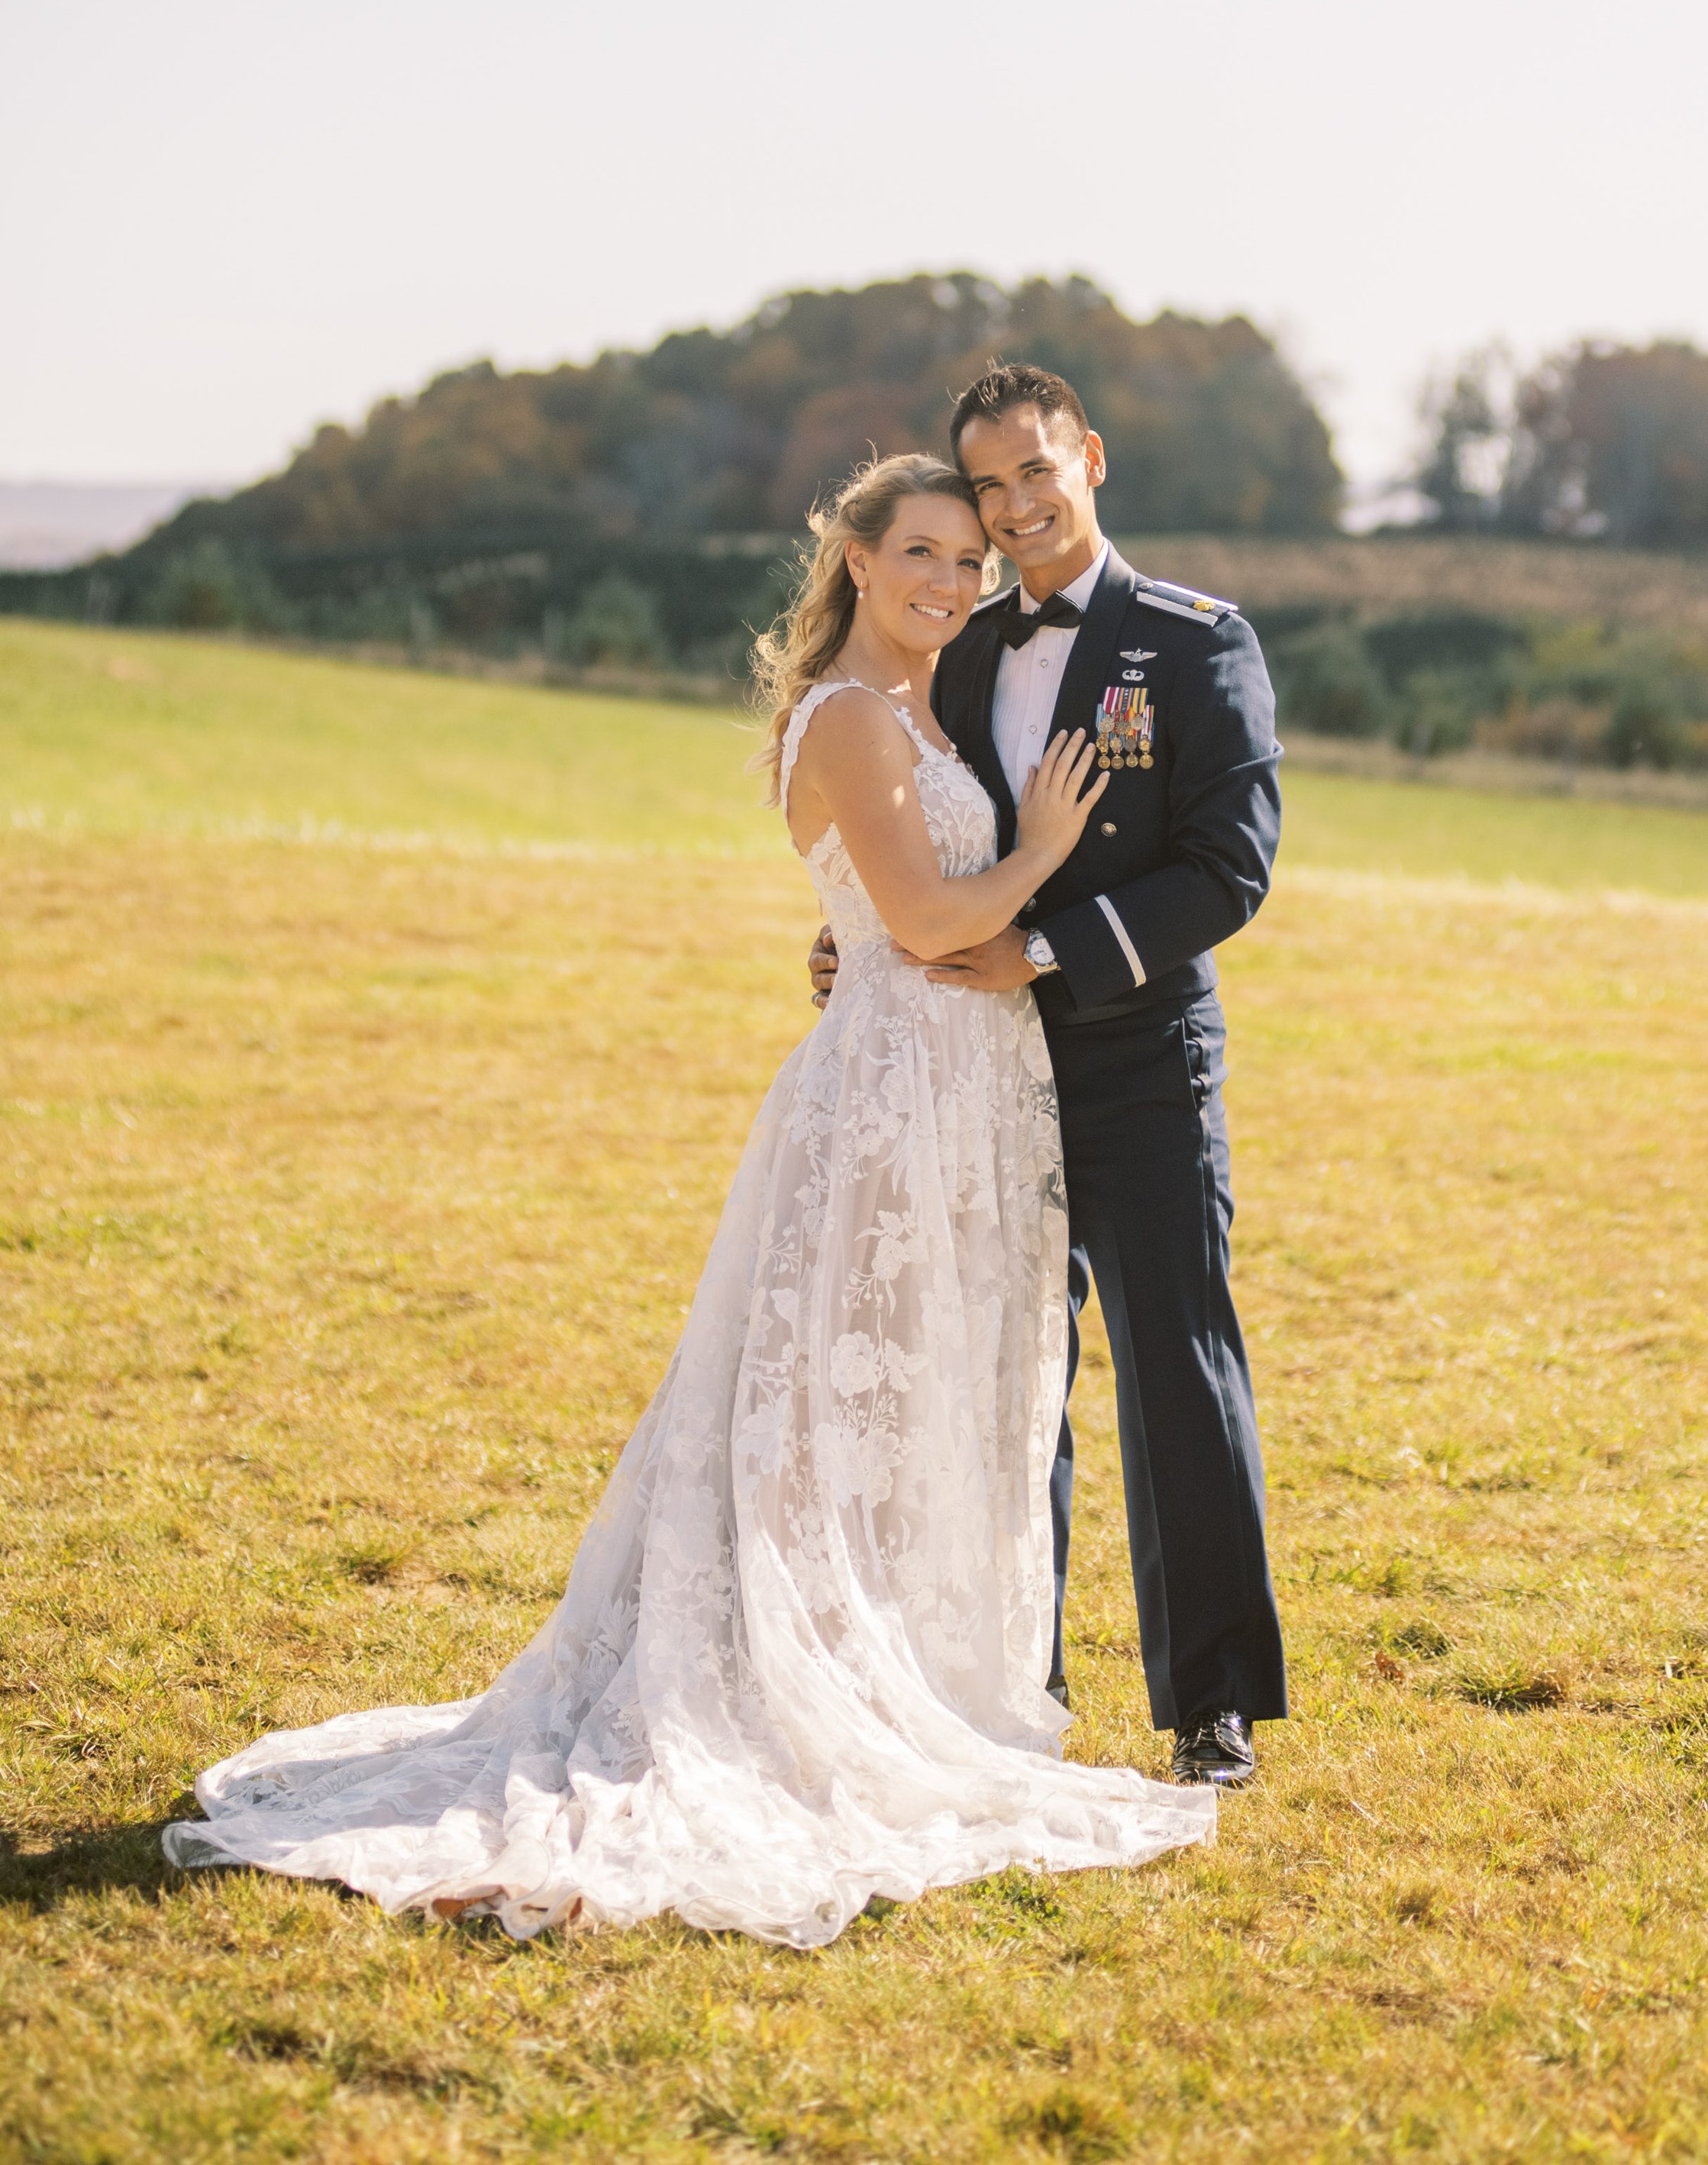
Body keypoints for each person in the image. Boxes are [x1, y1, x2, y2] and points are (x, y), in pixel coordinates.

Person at [163, 452, 1217, 1949]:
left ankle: (902, 1666)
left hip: (961, 1104)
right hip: (886, 1106)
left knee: (911, 1401)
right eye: (920, 553)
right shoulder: (849, 717)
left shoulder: (930, 704)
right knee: (826, 1413)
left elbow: (884, 910)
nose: (948, 584)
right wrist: (1041, 848)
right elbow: (918, 923)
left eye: (971, 563)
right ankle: (782, 1688)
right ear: (857, 558)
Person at [809, 365, 1287, 1785]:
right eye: (989, 485)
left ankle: (1210, 1703)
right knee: (1003, 1373)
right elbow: (914, 831)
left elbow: (1231, 868)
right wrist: (861, 935)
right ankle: (1016, 1677)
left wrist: (1046, 951)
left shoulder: (1197, 644)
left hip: (1138, 1059)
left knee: (1173, 1369)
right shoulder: (957, 641)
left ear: (1091, 455)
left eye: (1037, 473)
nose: (1014, 509)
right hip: (970, 1068)